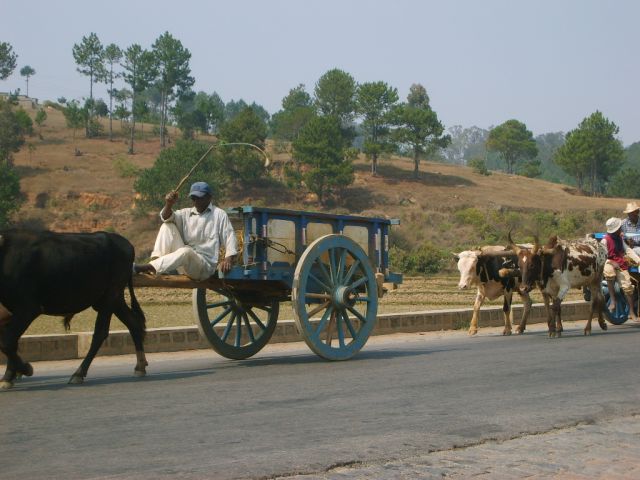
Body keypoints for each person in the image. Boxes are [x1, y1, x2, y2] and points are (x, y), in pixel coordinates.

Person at [133, 181, 238, 280]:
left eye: (199, 198)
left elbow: (229, 237)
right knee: (167, 225)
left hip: (203, 268)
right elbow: (165, 217)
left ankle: (147, 267)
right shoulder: (185, 213)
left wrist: (228, 259)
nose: (196, 201)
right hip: (184, 263)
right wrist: (169, 203)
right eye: (193, 198)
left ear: (209, 198)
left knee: (187, 251)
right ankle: (156, 263)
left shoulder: (219, 214)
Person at [602, 217, 640, 322]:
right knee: (609, 272)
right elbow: (602, 255)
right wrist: (611, 261)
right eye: (619, 228)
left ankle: (632, 312)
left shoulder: (619, 239)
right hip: (609, 262)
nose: (620, 230)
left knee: (628, 287)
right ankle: (613, 301)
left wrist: (638, 260)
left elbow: (627, 250)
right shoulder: (605, 240)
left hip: (620, 264)